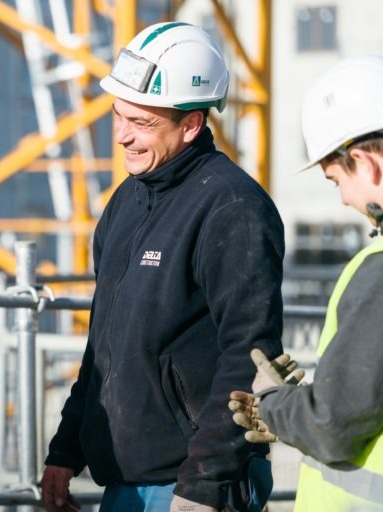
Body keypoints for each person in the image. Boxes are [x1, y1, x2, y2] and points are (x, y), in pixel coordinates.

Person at [40, 22, 285, 512]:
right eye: (118, 116)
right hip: (129, 482)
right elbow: (103, 348)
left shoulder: (233, 207)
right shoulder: (126, 201)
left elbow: (251, 359)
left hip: (189, 488)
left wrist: (203, 486)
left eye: (142, 123)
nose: (122, 136)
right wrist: (66, 450)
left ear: (192, 124)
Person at [229, 56, 383, 511]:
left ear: (366, 163)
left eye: (337, 179)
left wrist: (275, 404)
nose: (343, 199)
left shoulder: (378, 270)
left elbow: (335, 423)